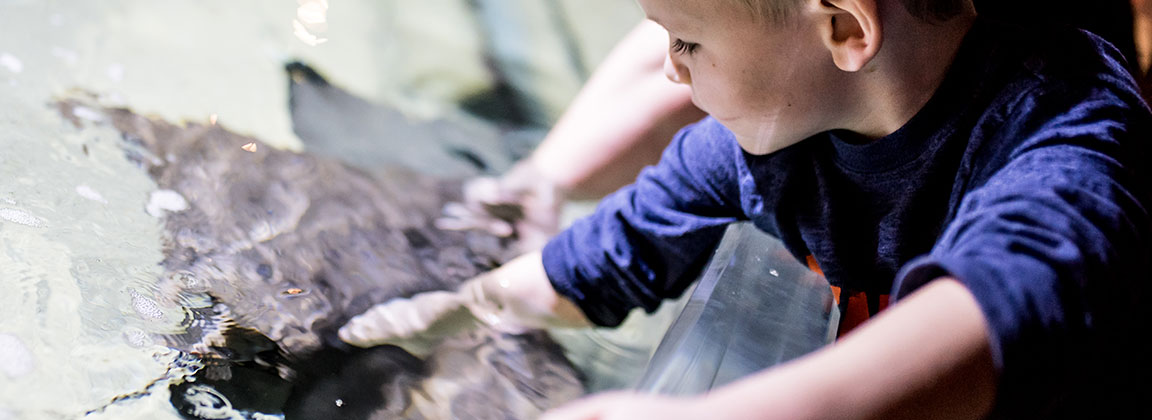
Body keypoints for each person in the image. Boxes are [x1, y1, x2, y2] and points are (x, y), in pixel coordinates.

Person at [340, 0, 1152, 418]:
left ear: (843, 28)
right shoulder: (757, 143)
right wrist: (438, 311)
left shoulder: (1064, 135)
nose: (668, 72)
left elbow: (999, 312)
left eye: (686, 43)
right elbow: (601, 258)